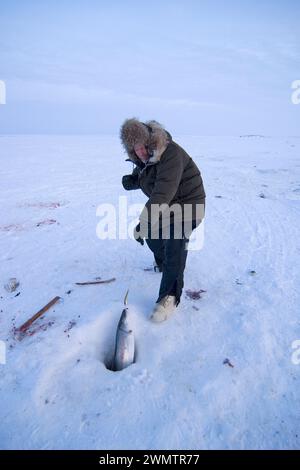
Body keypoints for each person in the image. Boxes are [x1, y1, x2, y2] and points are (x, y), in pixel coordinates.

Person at [120, 118, 206, 322]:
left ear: (150, 141)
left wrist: (144, 221)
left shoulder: (170, 154)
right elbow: (148, 177)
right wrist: (133, 181)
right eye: (135, 150)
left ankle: (169, 296)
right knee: (151, 236)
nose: (140, 153)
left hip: (189, 205)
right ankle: (164, 262)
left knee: (175, 240)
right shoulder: (145, 160)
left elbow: (162, 192)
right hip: (168, 206)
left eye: (142, 147)